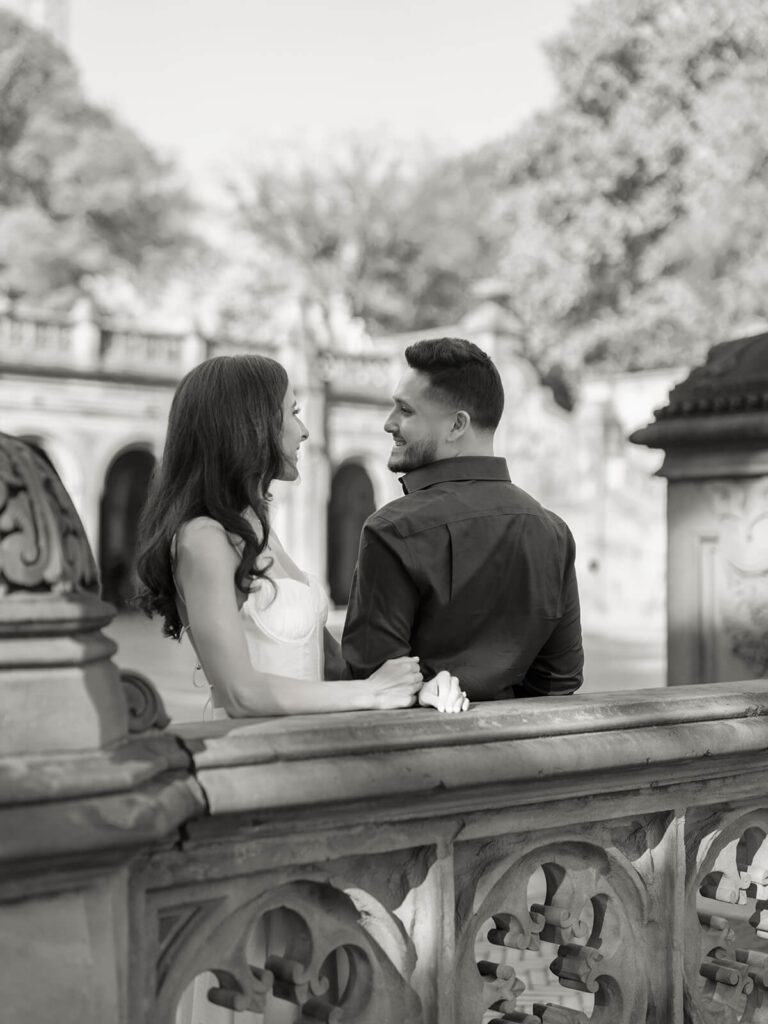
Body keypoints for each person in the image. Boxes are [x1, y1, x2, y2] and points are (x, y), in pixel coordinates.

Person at [135, 353, 468, 719]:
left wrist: (418, 688)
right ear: (250, 425)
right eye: (292, 413)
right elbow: (238, 692)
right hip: (255, 759)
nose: (304, 430)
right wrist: (371, 693)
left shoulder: (258, 530)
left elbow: (333, 669)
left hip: (308, 749)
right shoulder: (203, 538)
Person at [342, 337, 584, 701]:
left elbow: (372, 681)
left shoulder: (390, 530)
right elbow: (560, 680)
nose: (388, 423)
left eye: (405, 410)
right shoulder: (553, 531)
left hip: (417, 752)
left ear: (457, 426)